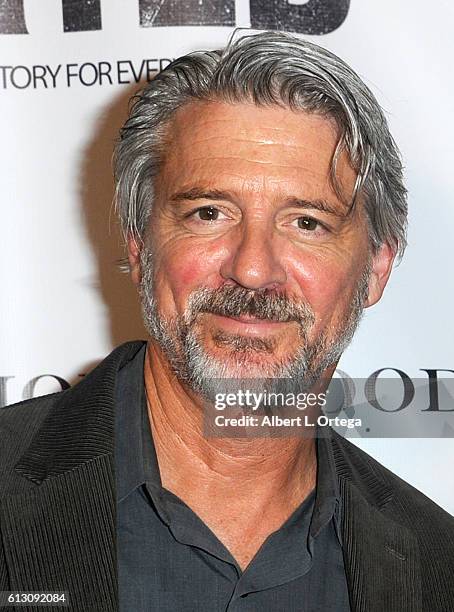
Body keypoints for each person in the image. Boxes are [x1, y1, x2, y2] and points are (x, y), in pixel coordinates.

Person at [1, 30, 453, 612]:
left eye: (307, 222)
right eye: (209, 213)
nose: (253, 269)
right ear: (140, 247)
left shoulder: (437, 567)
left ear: (376, 269)